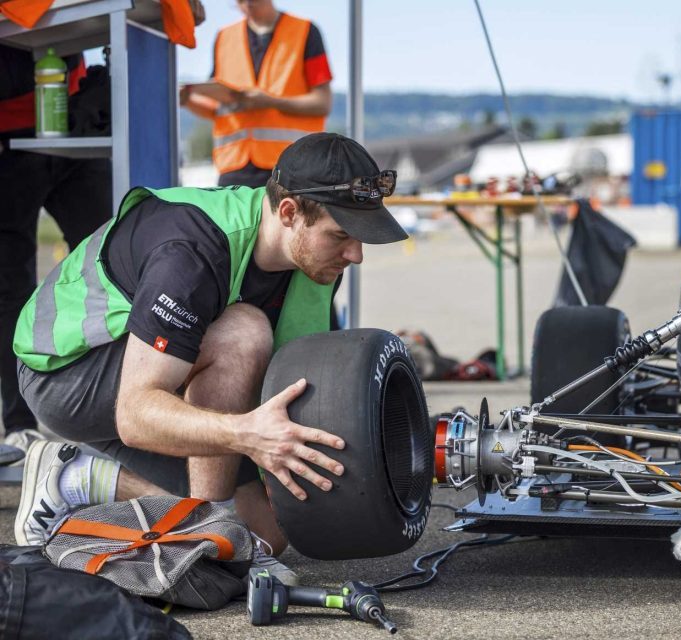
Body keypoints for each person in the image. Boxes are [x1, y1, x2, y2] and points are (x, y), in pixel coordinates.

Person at [13, 133, 405, 583]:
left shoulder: (316, 261)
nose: (355, 254)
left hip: (155, 374)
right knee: (243, 332)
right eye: (341, 236)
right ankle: (206, 532)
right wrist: (244, 434)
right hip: (66, 374)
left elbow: (303, 387)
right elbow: (136, 413)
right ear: (290, 212)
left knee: (270, 531)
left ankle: (79, 479)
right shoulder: (191, 252)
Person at [0, 44, 112, 460]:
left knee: (112, 267)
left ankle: (115, 411)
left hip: (75, 119)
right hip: (10, 138)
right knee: (11, 283)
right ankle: (19, 425)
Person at [180, 0, 332, 188]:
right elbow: (217, 110)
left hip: (291, 167)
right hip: (233, 168)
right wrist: (188, 100)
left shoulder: (305, 31)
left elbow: (322, 103)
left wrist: (271, 102)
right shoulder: (224, 37)